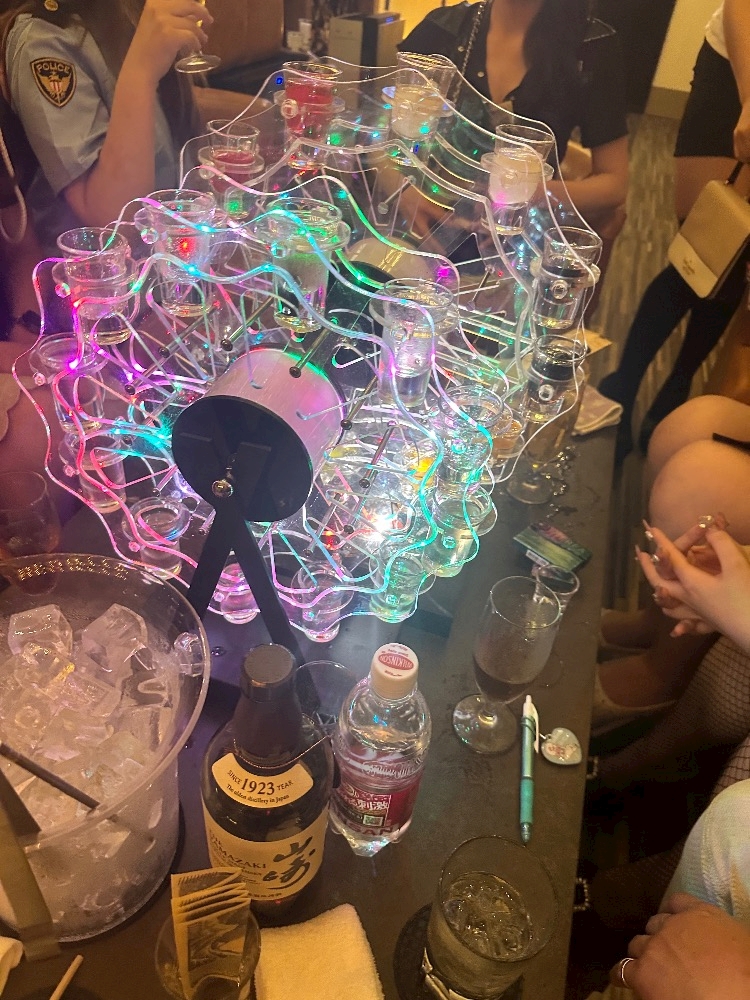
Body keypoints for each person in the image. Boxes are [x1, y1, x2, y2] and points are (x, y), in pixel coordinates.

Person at [598, 1, 750, 462]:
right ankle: (622, 384)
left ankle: (676, 388)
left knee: (735, 265)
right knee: (702, 252)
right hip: (738, 67)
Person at [398, 0, 629, 237]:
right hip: (416, 224)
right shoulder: (445, 28)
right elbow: (381, 129)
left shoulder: (590, 46)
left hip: (516, 239)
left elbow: (614, 183)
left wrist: (531, 195)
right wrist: (401, 190)